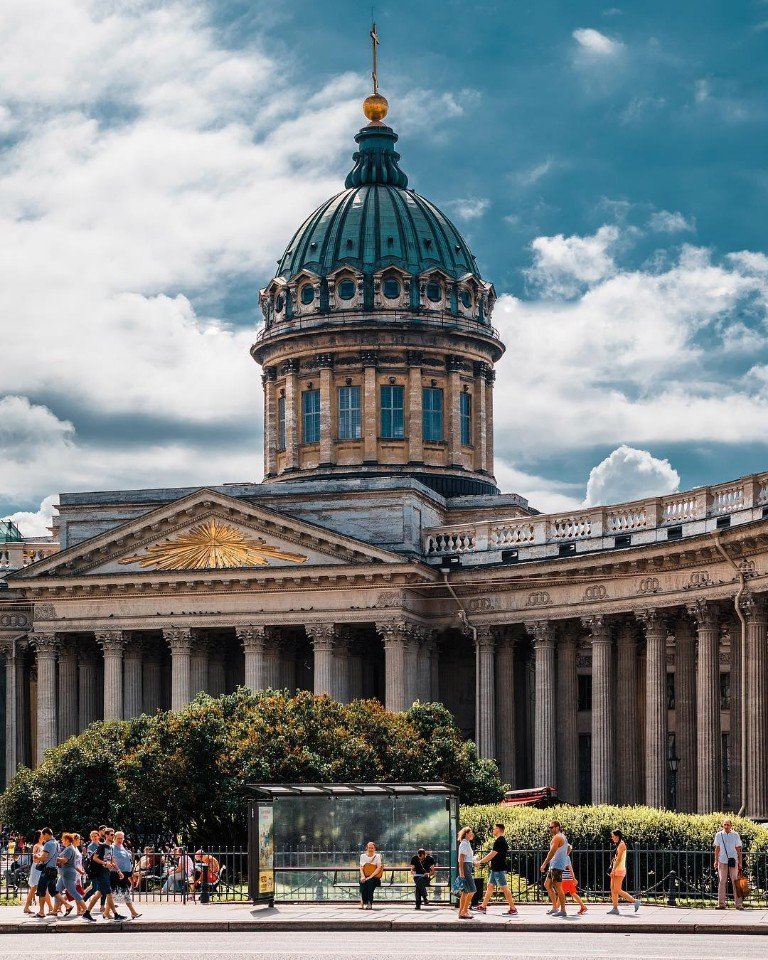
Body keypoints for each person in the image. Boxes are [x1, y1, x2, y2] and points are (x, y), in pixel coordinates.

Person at [83, 827, 126, 922]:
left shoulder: (110, 847)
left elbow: (112, 860)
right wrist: (105, 863)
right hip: (101, 873)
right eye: (111, 835)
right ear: (106, 835)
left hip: (106, 872)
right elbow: (94, 858)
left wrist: (118, 871)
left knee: (99, 894)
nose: (113, 836)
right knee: (109, 894)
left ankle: (87, 913)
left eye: (114, 834)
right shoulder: (102, 846)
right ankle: (116, 914)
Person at [474, 823, 518, 916]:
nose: (493, 830)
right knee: (490, 887)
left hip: (498, 869)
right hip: (495, 868)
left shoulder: (499, 841)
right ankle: (483, 906)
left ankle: (513, 908)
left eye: (494, 829)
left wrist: (480, 862)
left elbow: (492, 854)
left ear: (498, 829)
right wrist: (491, 862)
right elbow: (496, 855)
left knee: (504, 888)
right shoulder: (500, 840)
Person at [53, 834, 87, 917]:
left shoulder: (69, 849)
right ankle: (54, 910)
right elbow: (74, 864)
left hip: (67, 874)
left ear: (67, 840)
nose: (62, 841)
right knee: (57, 891)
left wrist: (54, 858)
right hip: (64, 874)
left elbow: (64, 860)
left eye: (63, 839)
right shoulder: (69, 848)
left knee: (73, 892)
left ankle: (86, 909)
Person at [713, 818, 743, 910]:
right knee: (722, 882)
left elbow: (738, 849)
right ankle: (721, 904)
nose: (726, 826)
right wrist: (716, 861)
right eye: (724, 825)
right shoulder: (719, 835)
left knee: (736, 882)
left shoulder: (735, 835)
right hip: (722, 860)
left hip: (733, 860)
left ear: (731, 825)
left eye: (728, 825)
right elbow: (717, 849)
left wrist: (740, 862)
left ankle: (738, 904)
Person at [540, 820, 568, 918]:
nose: (550, 829)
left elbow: (551, 853)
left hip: (556, 865)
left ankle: (563, 910)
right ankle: (555, 907)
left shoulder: (558, 837)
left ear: (557, 827)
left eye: (551, 827)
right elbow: (568, 847)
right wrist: (565, 856)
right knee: (547, 884)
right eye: (550, 827)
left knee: (558, 888)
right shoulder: (562, 836)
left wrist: (544, 864)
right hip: (554, 865)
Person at [607, 829, 639, 914]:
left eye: (613, 836)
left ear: (617, 836)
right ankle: (615, 908)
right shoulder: (619, 844)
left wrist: (613, 870)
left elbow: (619, 859)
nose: (612, 838)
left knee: (617, 890)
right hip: (616, 869)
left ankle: (634, 901)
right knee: (613, 889)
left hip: (619, 870)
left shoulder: (621, 845)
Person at [111, 832, 141, 920]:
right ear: (114, 838)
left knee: (114, 894)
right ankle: (133, 912)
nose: (120, 840)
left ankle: (106, 912)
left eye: (122, 838)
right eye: (118, 838)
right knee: (123, 893)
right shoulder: (112, 848)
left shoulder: (122, 847)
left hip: (125, 873)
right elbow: (113, 860)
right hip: (116, 874)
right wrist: (118, 871)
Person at [34, 828, 59, 919]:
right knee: (53, 891)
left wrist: (37, 856)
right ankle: (67, 905)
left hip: (46, 870)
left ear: (46, 834)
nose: (42, 838)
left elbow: (43, 858)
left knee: (41, 891)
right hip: (53, 869)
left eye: (43, 835)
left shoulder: (48, 844)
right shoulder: (57, 843)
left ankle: (41, 912)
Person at [456, 826, 477, 920]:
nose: (472, 834)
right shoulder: (464, 844)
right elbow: (461, 858)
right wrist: (461, 872)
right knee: (472, 890)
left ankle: (461, 912)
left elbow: (466, 857)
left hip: (467, 866)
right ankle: (464, 911)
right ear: (466, 834)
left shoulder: (466, 843)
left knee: (465, 891)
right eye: (471, 832)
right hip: (465, 867)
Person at [561, 844, 587, 915]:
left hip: (565, 879)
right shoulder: (566, 857)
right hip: (568, 878)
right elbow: (570, 869)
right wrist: (573, 878)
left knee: (561, 894)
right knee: (573, 893)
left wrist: (574, 878)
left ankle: (556, 908)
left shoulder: (565, 858)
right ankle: (583, 906)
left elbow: (570, 868)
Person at [358, 841, 383, 910]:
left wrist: (371, 876)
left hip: (374, 877)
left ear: (374, 848)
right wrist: (363, 876)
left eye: (372, 848)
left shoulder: (377, 856)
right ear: (366, 848)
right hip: (365, 876)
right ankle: (362, 902)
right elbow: (361, 867)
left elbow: (379, 867)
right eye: (369, 848)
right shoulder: (362, 856)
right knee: (362, 882)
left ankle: (369, 903)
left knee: (369, 883)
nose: (370, 849)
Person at [23, 831, 42, 916]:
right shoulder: (36, 846)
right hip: (37, 867)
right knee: (34, 887)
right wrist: (42, 858)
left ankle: (51, 907)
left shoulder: (43, 845)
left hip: (41, 867)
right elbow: (34, 858)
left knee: (44, 888)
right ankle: (26, 907)